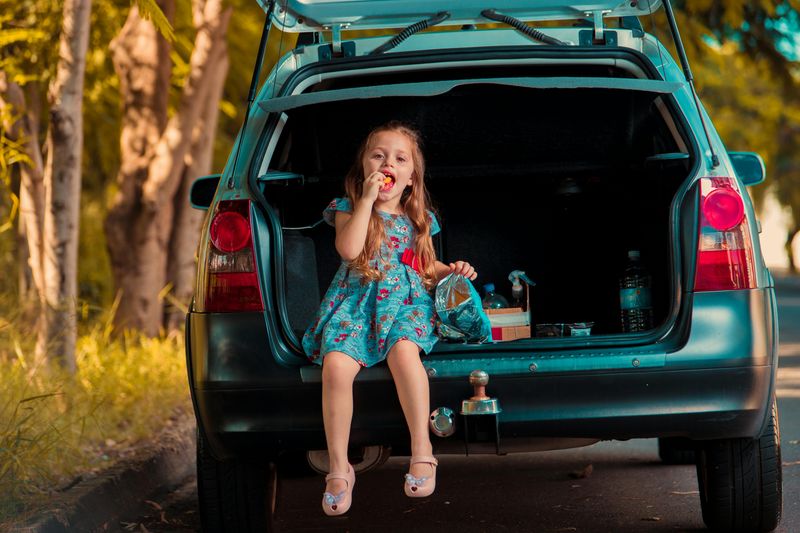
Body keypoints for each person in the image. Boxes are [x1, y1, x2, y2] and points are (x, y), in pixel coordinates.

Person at [302, 121, 477, 516]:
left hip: (406, 304)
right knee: (335, 366)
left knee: (403, 353)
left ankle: (422, 450)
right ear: (364, 167)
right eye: (378, 155)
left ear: (411, 178)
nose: (387, 163)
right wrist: (365, 200)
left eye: (400, 158)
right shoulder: (347, 208)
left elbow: (423, 266)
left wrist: (453, 270)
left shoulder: (420, 220)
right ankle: (339, 466)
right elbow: (349, 251)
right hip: (358, 304)